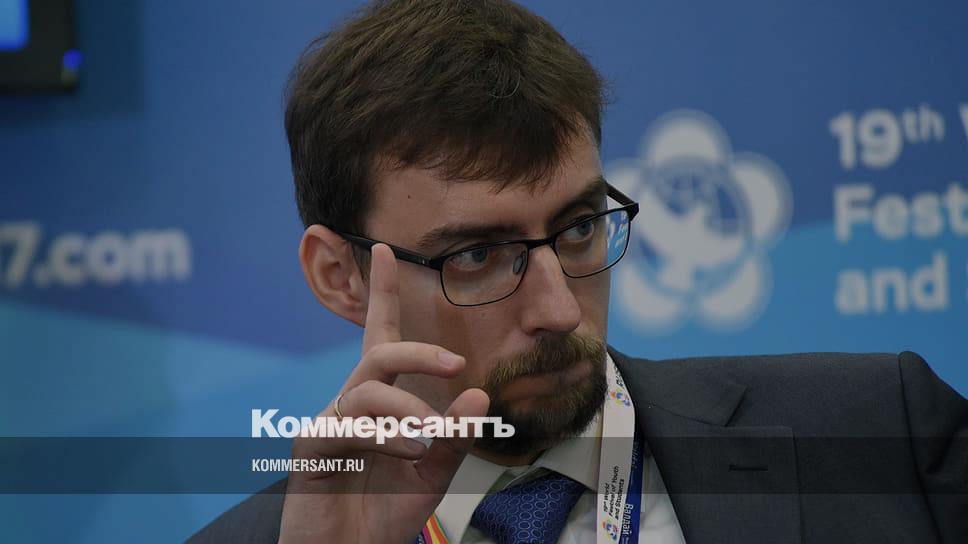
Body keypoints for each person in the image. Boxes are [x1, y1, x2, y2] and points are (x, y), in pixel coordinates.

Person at [190, 1, 967, 542]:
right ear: (341, 276)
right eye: (476, 255)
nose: (559, 310)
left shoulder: (880, 432)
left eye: (580, 228)